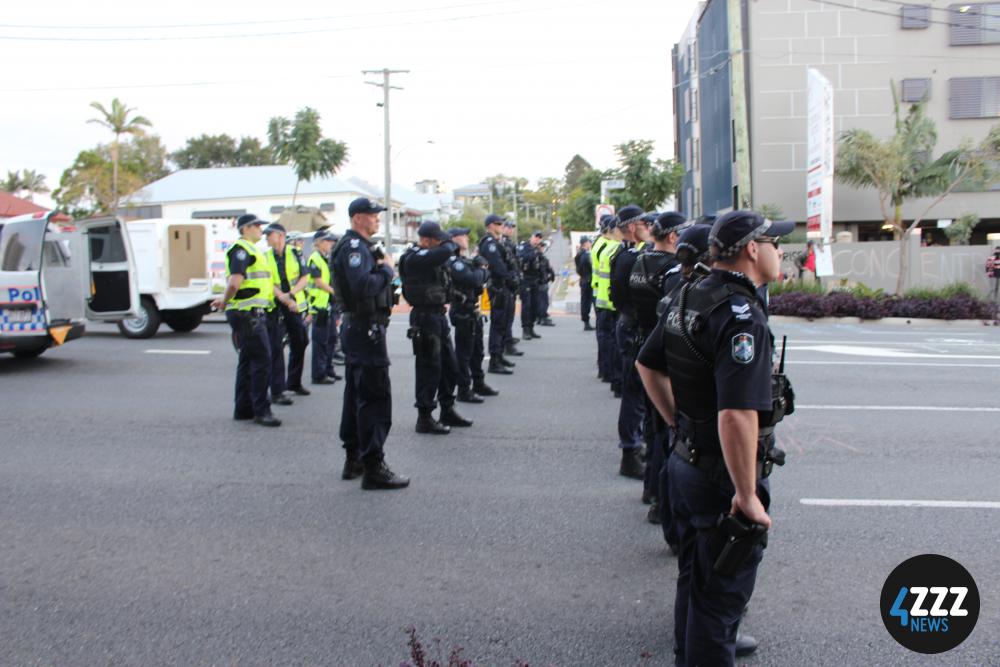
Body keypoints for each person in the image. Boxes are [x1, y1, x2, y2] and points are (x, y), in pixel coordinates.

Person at [636, 210, 795, 665]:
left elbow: (648, 365)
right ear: (751, 249)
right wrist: (746, 494)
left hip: (686, 461)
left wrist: (678, 423)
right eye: (774, 243)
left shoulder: (690, 292)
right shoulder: (740, 315)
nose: (780, 251)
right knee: (719, 604)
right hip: (719, 478)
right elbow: (737, 415)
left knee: (696, 581)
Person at [331, 197, 409, 490]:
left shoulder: (359, 247)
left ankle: (355, 458)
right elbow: (363, 287)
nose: (377, 219)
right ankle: (373, 466)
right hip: (365, 329)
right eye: (372, 215)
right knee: (374, 397)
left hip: (360, 329)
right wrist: (387, 270)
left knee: (356, 394)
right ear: (357, 218)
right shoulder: (354, 248)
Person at [629, 212, 691, 522]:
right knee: (667, 433)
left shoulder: (640, 260)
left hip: (643, 343)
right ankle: (661, 502)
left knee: (654, 430)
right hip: (664, 356)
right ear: (671, 236)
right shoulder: (672, 272)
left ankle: (652, 490)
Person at [398, 221, 472, 434]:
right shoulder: (414, 257)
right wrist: (451, 242)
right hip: (424, 317)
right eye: (437, 239)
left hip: (438, 316)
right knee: (429, 368)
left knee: (450, 366)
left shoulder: (433, 257)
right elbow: (441, 254)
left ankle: (447, 409)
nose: (441, 243)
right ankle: (425, 417)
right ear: (426, 240)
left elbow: (441, 281)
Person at [211, 214, 282, 427]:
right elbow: (235, 282)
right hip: (246, 312)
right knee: (262, 360)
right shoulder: (241, 250)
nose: (261, 229)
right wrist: (224, 301)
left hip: (248, 312)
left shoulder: (251, 250)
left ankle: (243, 408)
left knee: (247, 360)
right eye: (257, 226)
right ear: (245, 229)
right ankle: (262, 410)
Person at [608, 205, 648, 477]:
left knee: (638, 393)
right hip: (633, 326)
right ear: (632, 227)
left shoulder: (626, 254)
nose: (649, 227)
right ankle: (630, 451)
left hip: (629, 323)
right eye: (644, 223)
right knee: (634, 393)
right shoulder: (631, 257)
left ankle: (636, 444)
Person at [448, 227, 497, 402]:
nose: (467, 238)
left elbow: (480, 280)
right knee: (464, 353)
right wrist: (483, 269)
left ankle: (478, 383)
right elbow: (475, 279)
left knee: (477, 350)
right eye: (463, 235)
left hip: (472, 308)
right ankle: (463, 389)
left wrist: (481, 270)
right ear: (453, 238)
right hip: (462, 310)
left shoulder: (463, 260)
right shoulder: (454, 261)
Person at [264, 222, 311, 399]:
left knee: (301, 341)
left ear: (281, 236)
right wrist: (283, 297)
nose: (267, 238)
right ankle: (277, 390)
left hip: (293, 304)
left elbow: (305, 277)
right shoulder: (265, 256)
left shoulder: (295, 253)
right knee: (275, 347)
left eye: (270, 235)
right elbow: (267, 281)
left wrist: (291, 294)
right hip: (274, 306)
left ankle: (294, 382)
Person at [478, 214, 517, 375]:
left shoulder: (498, 242)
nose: (501, 225)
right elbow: (498, 266)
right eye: (497, 223)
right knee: (498, 324)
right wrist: (510, 279)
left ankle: (499, 356)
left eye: (502, 223)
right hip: (498, 287)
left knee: (504, 323)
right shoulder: (489, 244)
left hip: (504, 287)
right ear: (489, 226)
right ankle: (494, 360)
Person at [593, 214, 623, 391]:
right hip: (610, 302)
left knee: (605, 338)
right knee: (611, 340)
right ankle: (610, 373)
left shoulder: (602, 246)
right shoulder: (612, 248)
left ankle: (605, 371)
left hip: (602, 298)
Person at [306, 230, 337, 386]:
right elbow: (318, 281)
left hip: (328, 304)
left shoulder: (326, 258)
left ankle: (328, 369)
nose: (330, 244)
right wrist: (334, 291)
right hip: (319, 305)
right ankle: (318, 374)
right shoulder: (315, 258)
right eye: (327, 241)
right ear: (318, 242)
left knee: (331, 338)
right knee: (320, 341)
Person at [500, 220, 524, 357]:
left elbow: (514, 262)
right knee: (504, 318)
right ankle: (506, 344)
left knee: (509, 317)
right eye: (508, 227)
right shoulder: (502, 243)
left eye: (512, 228)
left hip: (511, 283)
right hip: (505, 284)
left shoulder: (509, 242)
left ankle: (507, 340)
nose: (510, 230)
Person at [518, 231, 545, 339]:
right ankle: (525, 330)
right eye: (536, 237)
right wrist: (534, 252)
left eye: (540, 238)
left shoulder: (538, 248)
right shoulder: (524, 246)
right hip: (526, 280)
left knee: (535, 305)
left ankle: (531, 328)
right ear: (532, 237)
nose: (538, 239)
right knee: (526, 306)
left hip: (535, 280)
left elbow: (541, 263)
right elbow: (521, 257)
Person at [575, 236, 594, 331]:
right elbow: (590, 267)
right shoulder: (585, 255)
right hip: (588, 280)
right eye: (589, 242)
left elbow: (578, 269)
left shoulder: (579, 254)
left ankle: (586, 321)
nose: (590, 244)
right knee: (586, 302)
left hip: (584, 279)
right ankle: (586, 322)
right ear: (585, 243)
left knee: (585, 301)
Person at [536, 240, 556, 326]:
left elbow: (548, 268)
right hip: (540, 282)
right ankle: (542, 317)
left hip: (543, 281)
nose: (543, 248)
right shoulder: (538, 257)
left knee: (542, 301)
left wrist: (551, 275)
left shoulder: (542, 257)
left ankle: (541, 317)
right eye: (541, 246)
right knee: (543, 301)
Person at [987, 246, 1000, 317]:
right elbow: (988, 266)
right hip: (993, 276)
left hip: (998, 276)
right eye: (997, 250)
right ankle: (991, 303)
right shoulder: (992, 257)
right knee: (992, 290)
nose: (998, 251)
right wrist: (990, 274)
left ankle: (997, 304)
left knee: (998, 291)